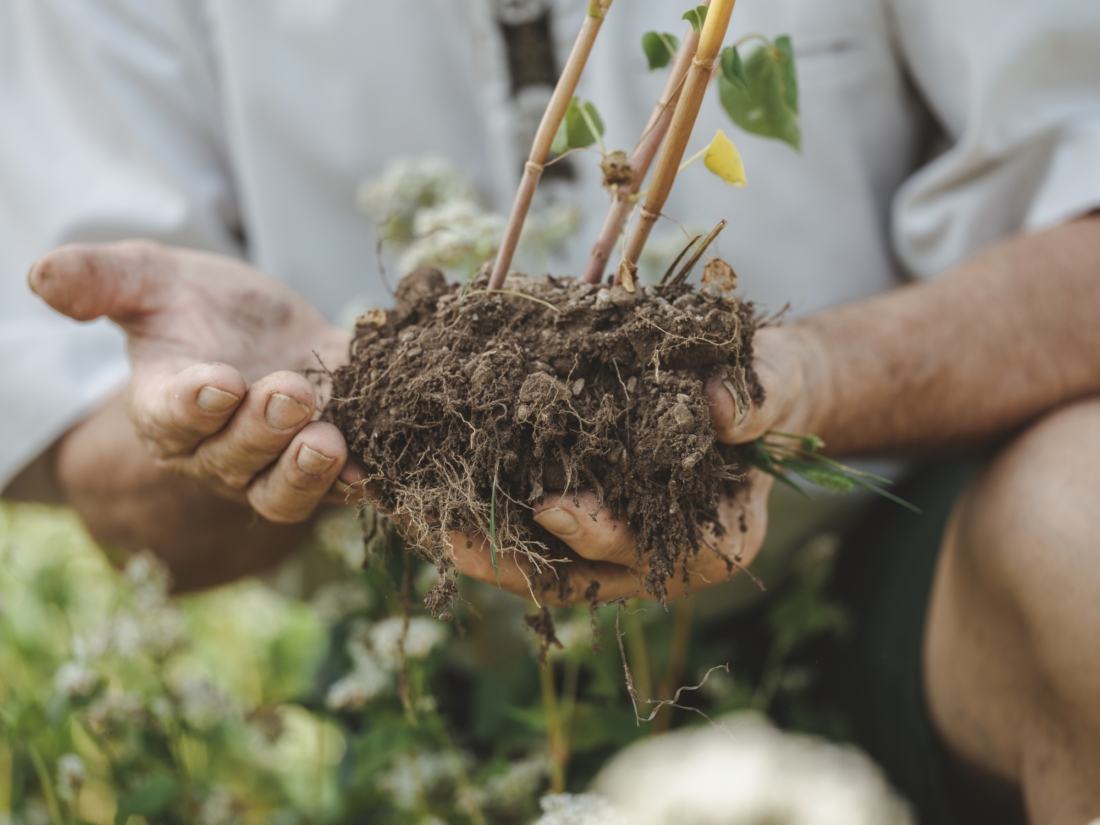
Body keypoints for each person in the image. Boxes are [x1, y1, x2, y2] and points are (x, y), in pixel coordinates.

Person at [2, 0, 1099, 821]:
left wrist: (807, 379)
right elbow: (88, 444)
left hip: (906, 566)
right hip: (447, 653)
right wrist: (262, 417)